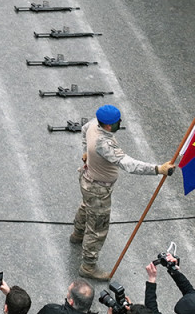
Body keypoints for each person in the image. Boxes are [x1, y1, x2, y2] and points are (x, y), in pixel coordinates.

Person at [73, 105, 174, 279]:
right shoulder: (104, 144)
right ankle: (88, 266)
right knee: (97, 227)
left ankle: (77, 233)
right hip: (98, 189)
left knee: (86, 207)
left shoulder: (93, 125)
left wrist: (85, 153)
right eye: (116, 122)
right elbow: (129, 164)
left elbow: (83, 131)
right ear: (108, 126)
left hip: (88, 179)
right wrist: (158, 169)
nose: (119, 123)